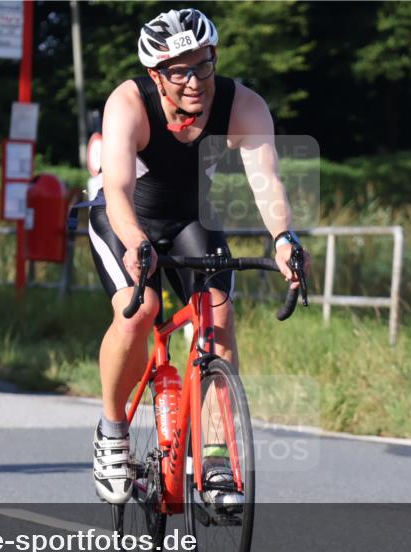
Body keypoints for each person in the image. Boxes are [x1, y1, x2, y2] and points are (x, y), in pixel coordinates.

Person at [87, 8, 309, 504]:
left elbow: (267, 181)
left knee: (217, 314)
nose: (194, 81)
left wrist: (283, 239)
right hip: (123, 218)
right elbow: (117, 189)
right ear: (155, 75)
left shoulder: (242, 104)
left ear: (215, 57)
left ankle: (215, 461)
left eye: (203, 65)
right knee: (139, 311)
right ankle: (112, 431)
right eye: (178, 71)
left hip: (190, 219)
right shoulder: (129, 102)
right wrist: (136, 242)